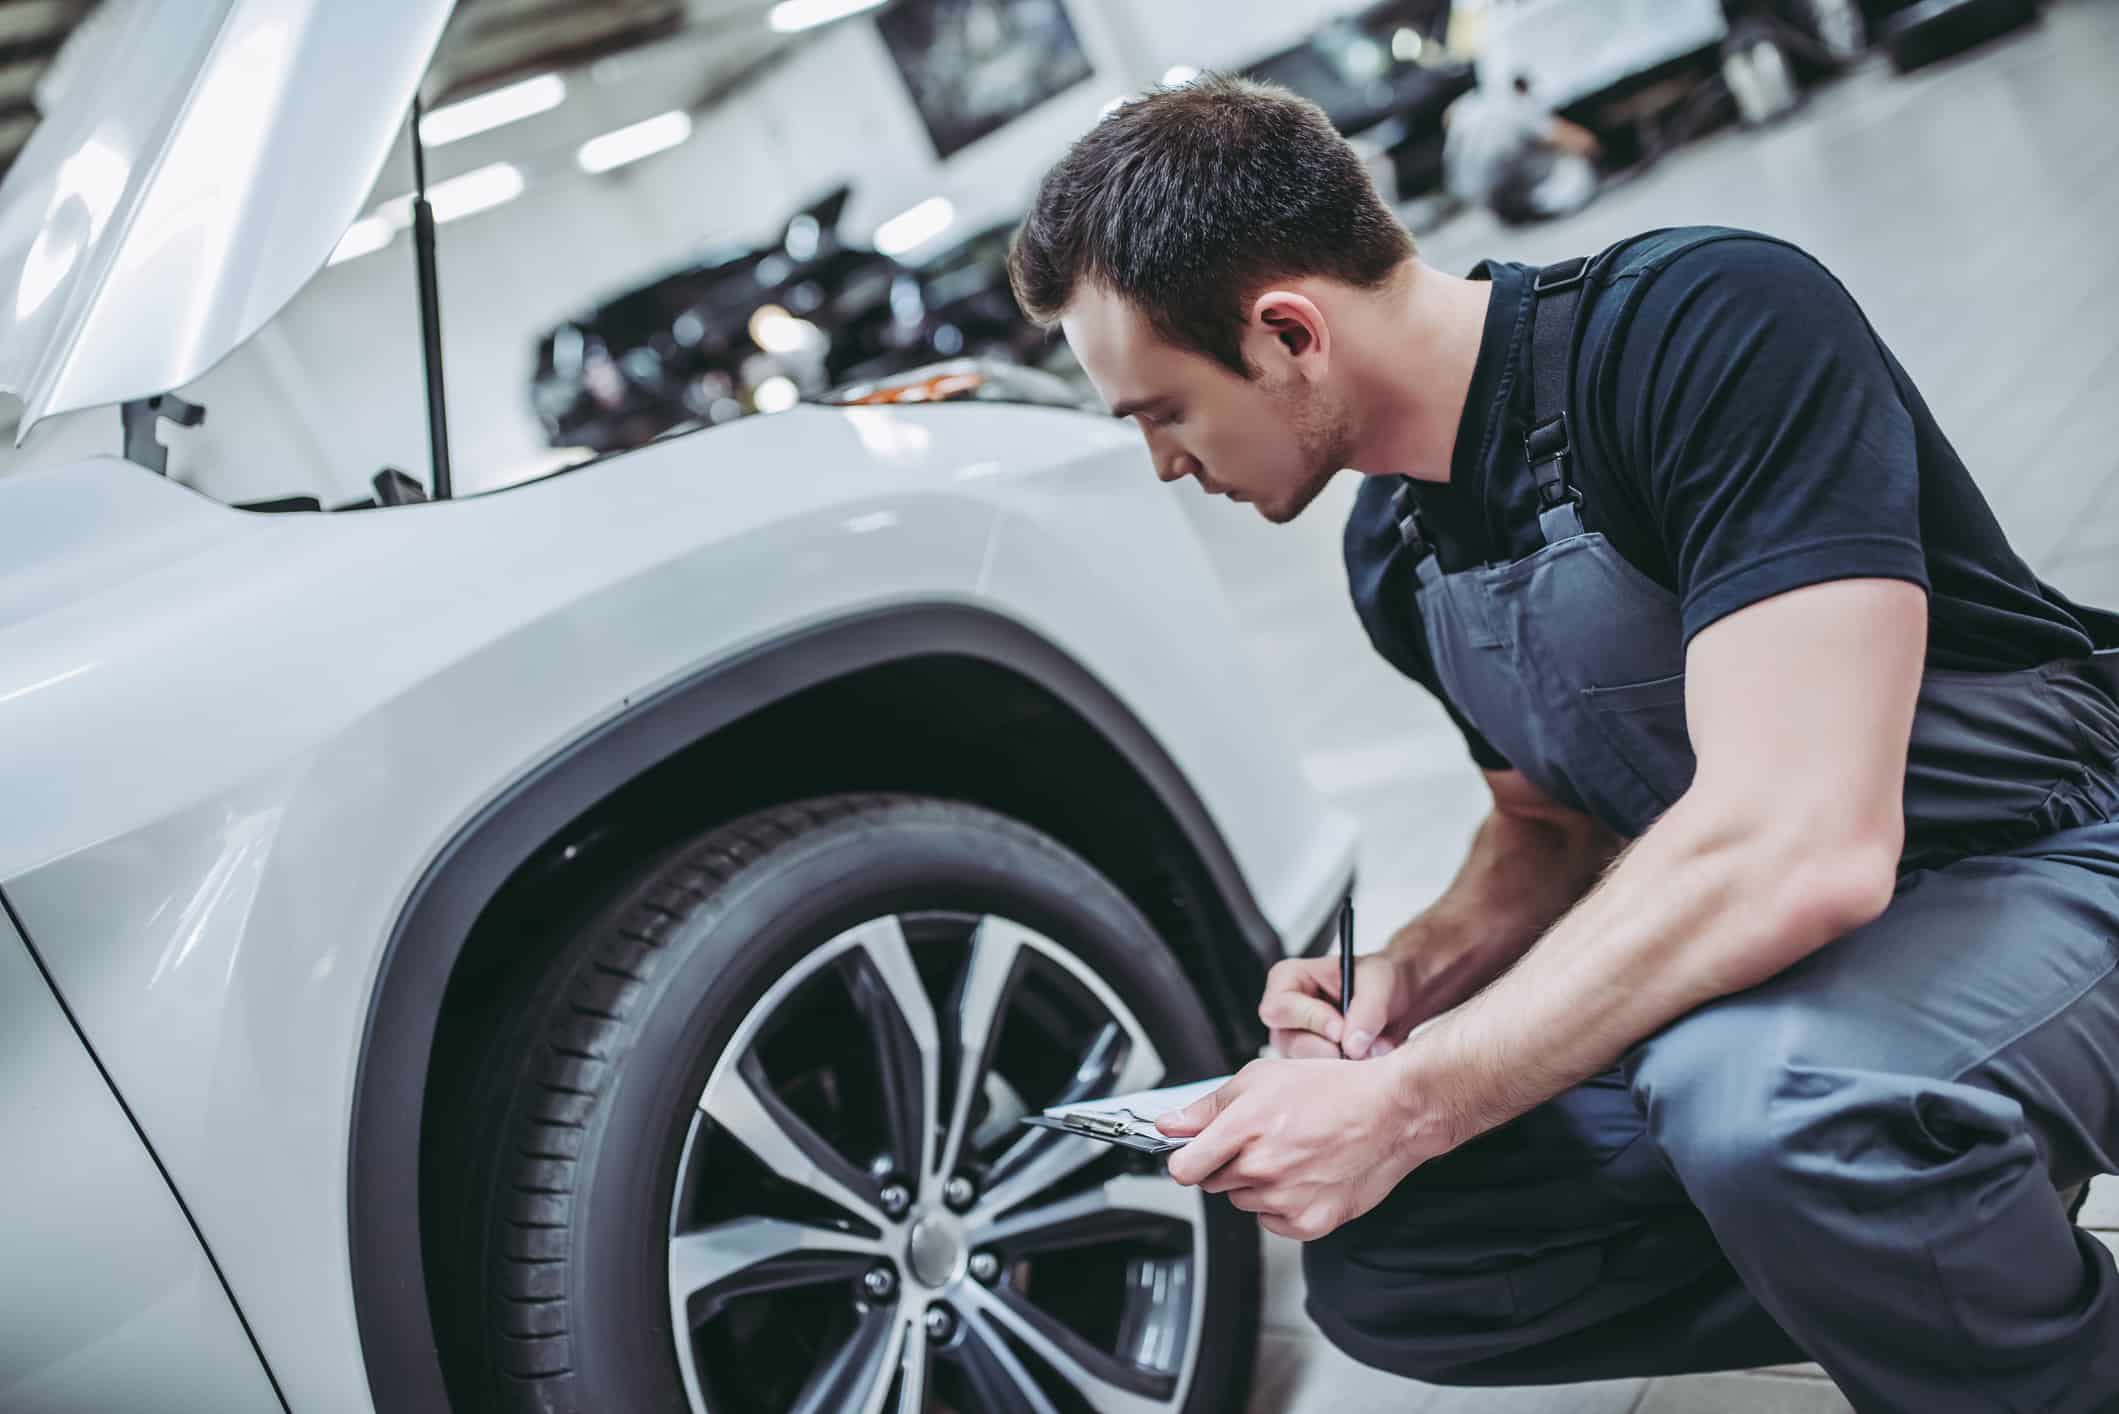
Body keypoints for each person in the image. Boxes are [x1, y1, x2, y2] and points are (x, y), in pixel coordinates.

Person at [1006, 74, 2119, 1411]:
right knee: (1395, 1248)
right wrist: (1406, 978)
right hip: (1813, 955)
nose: (1165, 470)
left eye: (1159, 413)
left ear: (1285, 332)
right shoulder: (1391, 550)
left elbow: (1800, 839)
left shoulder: (1701, 326)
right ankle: (1932, 1228)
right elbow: (1542, 823)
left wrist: (1409, 1098)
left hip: (2050, 855)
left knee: (1762, 1098)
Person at [1443, 72, 1602, 223]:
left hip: (1476, 195)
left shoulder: (1469, 104)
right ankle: (1542, 204)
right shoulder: (1518, 105)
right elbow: (1584, 143)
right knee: (1573, 165)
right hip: (1514, 190)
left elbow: (1448, 117)